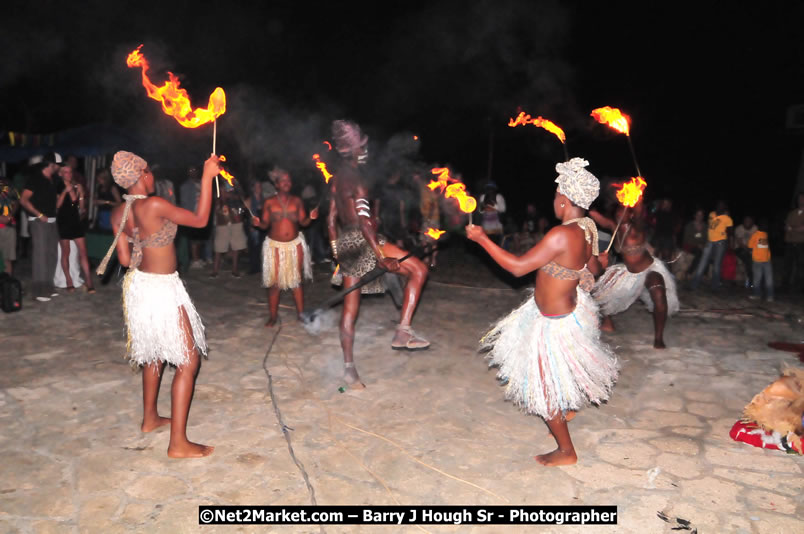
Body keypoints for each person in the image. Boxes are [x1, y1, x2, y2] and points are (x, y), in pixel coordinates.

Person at [467, 157, 617, 466]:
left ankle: (566, 451)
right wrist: (601, 262)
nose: (554, 200)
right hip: (566, 313)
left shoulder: (561, 234)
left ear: (563, 200)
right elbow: (593, 268)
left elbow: (518, 267)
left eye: (555, 195)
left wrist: (482, 239)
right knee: (562, 372)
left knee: (543, 383)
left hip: (555, 322)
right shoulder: (586, 229)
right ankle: (568, 408)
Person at [99, 151, 220, 458]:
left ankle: (150, 418)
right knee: (188, 362)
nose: (152, 175)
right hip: (162, 289)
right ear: (143, 174)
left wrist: (143, 242)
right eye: (149, 171)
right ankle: (178, 443)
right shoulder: (153, 205)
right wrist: (207, 177)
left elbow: (124, 260)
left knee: (153, 354)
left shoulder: (118, 212)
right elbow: (200, 220)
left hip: (139, 286)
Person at [327, 120, 430, 388]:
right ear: (353, 150)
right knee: (419, 270)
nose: (366, 150)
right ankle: (403, 331)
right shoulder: (357, 179)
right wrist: (380, 256)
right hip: (366, 239)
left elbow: (331, 220)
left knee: (350, 309)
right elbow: (364, 222)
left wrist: (337, 253)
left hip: (348, 242)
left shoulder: (336, 179)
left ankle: (349, 370)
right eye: (362, 147)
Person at [590, 198, 680, 349]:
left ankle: (659, 338)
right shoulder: (614, 228)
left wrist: (638, 195)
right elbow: (596, 216)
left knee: (659, 294)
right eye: (618, 211)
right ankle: (608, 322)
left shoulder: (636, 227)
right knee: (601, 290)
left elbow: (638, 212)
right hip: (629, 273)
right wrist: (585, 202)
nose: (619, 213)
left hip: (649, 269)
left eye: (623, 211)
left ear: (630, 214)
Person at [252, 168, 318, 326]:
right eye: (283, 180)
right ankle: (273, 316)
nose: (287, 183)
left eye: (289, 180)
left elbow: (303, 223)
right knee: (275, 283)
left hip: (295, 245)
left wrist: (311, 217)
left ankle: (301, 315)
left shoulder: (297, 201)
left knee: (297, 282)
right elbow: (265, 225)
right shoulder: (269, 202)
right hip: (275, 246)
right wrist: (258, 223)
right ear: (277, 184)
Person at [19, 152, 62, 302]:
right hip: (38, 221)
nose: (59, 168)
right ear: (51, 164)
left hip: (52, 221)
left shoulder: (53, 180)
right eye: (58, 165)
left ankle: (48, 286)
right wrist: (39, 214)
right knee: (40, 256)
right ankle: (39, 291)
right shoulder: (35, 178)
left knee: (52, 254)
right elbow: (23, 200)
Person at [55, 165, 94, 293]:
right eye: (65, 172)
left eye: (70, 171)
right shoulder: (58, 186)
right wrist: (65, 191)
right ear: (60, 174)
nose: (68, 174)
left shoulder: (76, 185)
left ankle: (89, 281)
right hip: (63, 222)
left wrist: (81, 194)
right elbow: (57, 206)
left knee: (83, 252)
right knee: (66, 252)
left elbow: (81, 209)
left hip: (76, 222)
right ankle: (69, 281)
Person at [210, 175, 247, 278]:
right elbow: (217, 200)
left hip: (236, 219)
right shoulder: (218, 186)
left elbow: (243, 200)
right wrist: (221, 197)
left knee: (236, 246)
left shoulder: (237, 187)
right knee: (219, 246)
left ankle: (234, 270)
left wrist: (231, 196)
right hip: (223, 220)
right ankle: (215, 270)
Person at [691, 201, 733, 290]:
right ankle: (694, 285)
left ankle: (715, 287)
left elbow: (730, 232)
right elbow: (710, 227)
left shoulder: (727, 218)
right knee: (703, 262)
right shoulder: (711, 214)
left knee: (717, 264)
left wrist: (728, 244)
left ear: (724, 208)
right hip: (710, 241)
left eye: (722, 206)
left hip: (720, 242)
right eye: (719, 205)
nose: (720, 207)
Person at [179, 166, 209, 269]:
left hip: (202, 213)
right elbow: (184, 202)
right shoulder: (185, 186)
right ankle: (195, 260)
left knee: (199, 238)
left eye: (194, 170)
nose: (193, 172)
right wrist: (188, 215)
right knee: (193, 239)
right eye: (190, 170)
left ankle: (198, 258)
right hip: (192, 214)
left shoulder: (201, 183)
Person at [782, 192, 804, 293]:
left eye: (803, 198)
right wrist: (794, 228)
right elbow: (786, 226)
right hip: (790, 242)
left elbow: (802, 229)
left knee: (801, 266)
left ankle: (799, 287)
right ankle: (785, 286)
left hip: (801, 243)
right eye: (799, 198)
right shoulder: (792, 213)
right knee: (787, 265)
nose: (801, 200)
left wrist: (792, 228)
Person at [748, 219, 773, 301]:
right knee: (767, 279)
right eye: (765, 225)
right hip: (764, 260)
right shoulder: (764, 235)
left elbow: (750, 246)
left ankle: (758, 295)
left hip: (760, 260)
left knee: (758, 279)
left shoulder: (757, 235)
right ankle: (768, 296)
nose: (766, 227)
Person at [681, 208, 707, 277]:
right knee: (699, 252)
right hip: (689, 246)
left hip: (701, 246)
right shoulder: (689, 225)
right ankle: (689, 272)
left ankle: (704, 274)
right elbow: (686, 239)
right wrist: (697, 244)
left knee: (706, 253)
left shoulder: (705, 226)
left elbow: (706, 238)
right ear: (695, 216)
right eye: (698, 215)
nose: (699, 217)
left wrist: (703, 245)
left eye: (701, 215)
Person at [734, 215, 757, 288]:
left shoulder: (755, 228)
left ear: (752, 222)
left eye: (749, 221)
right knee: (748, 258)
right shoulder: (739, 228)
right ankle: (751, 280)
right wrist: (748, 250)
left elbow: (756, 242)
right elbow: (740, 243)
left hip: (750, 250)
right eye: (746, 221)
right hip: (739, 249)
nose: (747, 222)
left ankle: (752, 281)